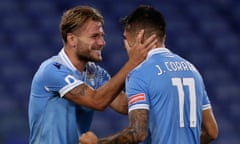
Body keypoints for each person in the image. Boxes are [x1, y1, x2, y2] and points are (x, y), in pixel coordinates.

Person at [79, 5, 219, 144]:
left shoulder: (140, 73)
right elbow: (211, 131)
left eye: (126, 39)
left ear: (140, 37)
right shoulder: (192, 70)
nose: (125, 45)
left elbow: (138, 133)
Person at [28, 5, 157, 144]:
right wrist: (133, 63)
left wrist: (153, 77)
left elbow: (123, 105)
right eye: (95, 36)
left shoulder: (95, 73)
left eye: (102, 36)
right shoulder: (52, 70)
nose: (102, 42)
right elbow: (97, 101)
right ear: (72, 39)